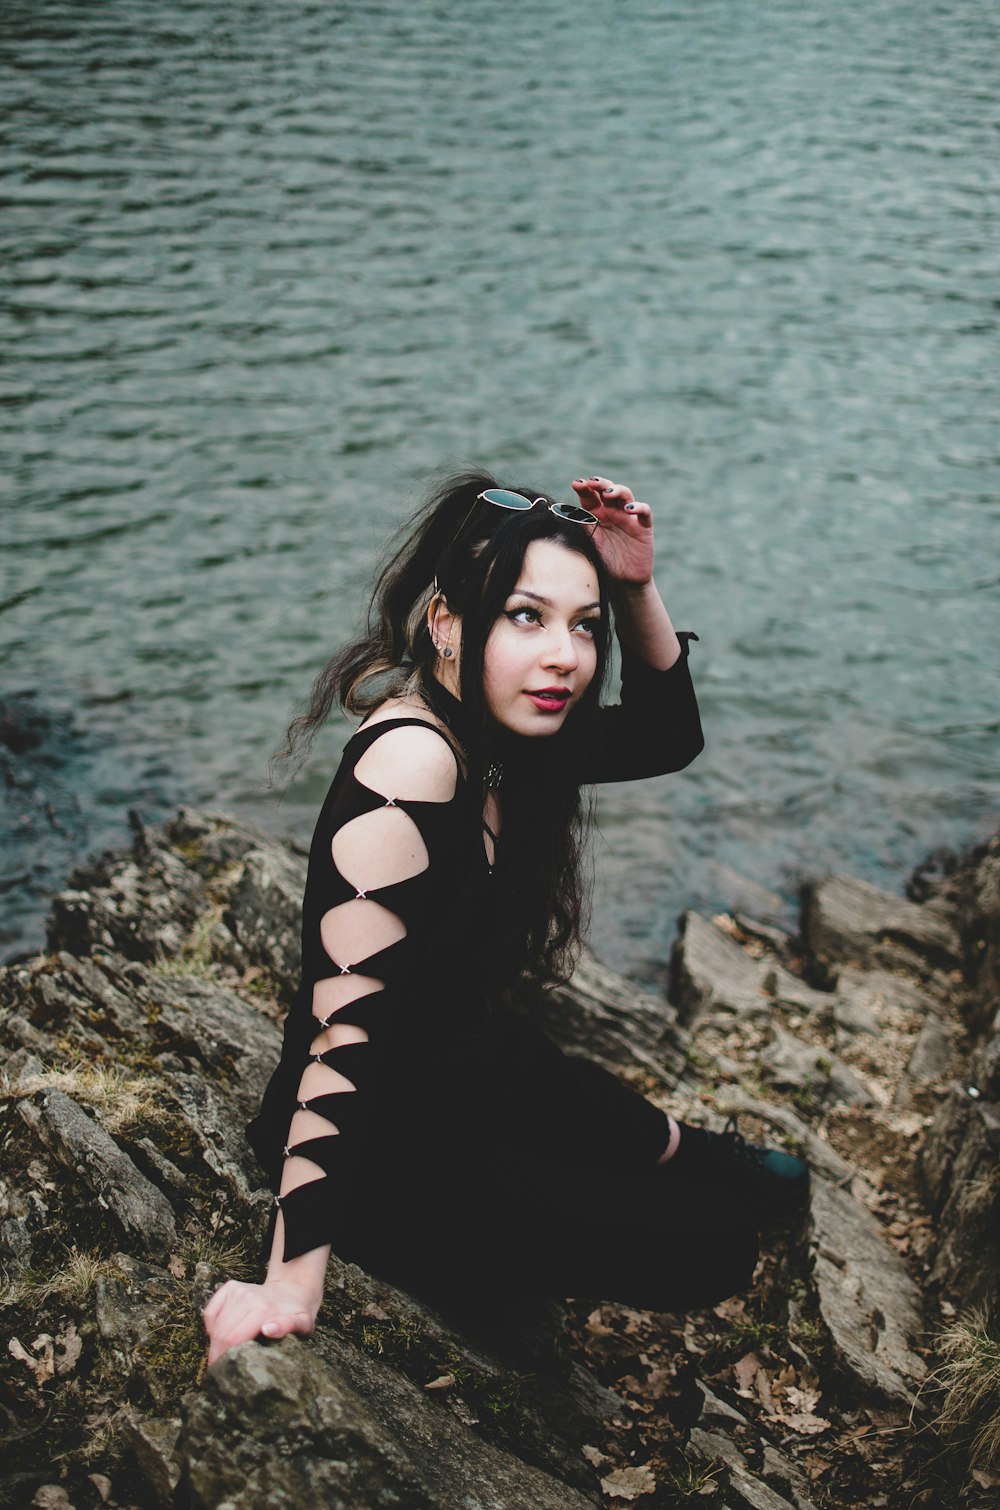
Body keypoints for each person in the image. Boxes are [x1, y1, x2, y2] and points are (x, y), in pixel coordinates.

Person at [203, 471, 807, 1364]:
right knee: (714, 1243)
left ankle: (683, 1148)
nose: (565, 655)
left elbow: (670, 735)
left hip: (472, 1060)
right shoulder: (409, 766)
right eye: (527, 616)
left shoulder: (509, 737)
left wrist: (635, 584)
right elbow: (342, 1040)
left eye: (584, 625)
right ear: (446, 621)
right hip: (390, 1156)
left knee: (689, 1152)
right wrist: (290, 1280)